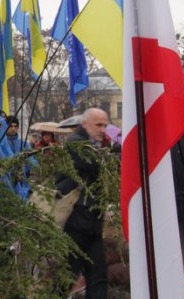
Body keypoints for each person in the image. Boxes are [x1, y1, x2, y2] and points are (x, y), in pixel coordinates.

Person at [56, 107, 111, 299]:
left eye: (106, 125)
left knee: (98, 276)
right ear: (84, 123)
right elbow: (98, 163)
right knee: (67, 277)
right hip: (75, 223)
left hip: (91, 223)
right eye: (99, 124)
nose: (103, 129)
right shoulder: (77, 145)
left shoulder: (93, 144)